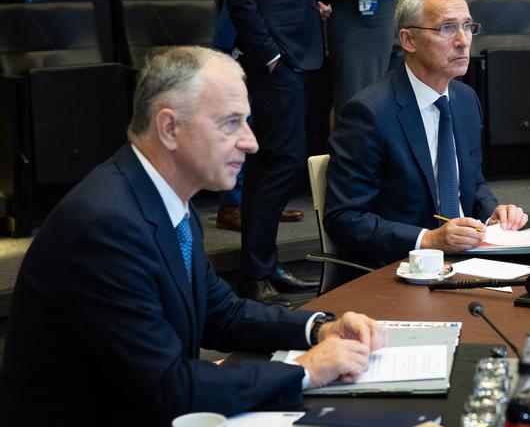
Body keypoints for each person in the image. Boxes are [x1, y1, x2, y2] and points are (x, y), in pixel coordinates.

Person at [0, 47, 387, 425]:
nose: (251, 142)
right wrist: (306, 370)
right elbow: (169, 388)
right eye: (231, 122)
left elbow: (220, 312)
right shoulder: (106, 225)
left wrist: (318, 327)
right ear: (169, 128)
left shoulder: (164, 199)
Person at [323, 0, 528, 277]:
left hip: (468, 260)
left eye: (467, 26)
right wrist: (429, 239)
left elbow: (472, 184)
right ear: (408, 40)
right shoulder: (368, 112)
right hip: (401, 270)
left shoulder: (465, 100)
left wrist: (493, 211)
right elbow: (345, 218)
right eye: (447, 28)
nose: (463, 40)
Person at [210, 0, 336, 304]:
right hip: (277, 61)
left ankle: (264, 266)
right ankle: (255, 274)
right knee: (279, 164)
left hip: (295, 52)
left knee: (272, 165)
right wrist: (270, 57)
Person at [205, 0, 306, 233]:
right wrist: (270, 55)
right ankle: (258, 265)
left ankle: (264, 261)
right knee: (274, 158)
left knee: (275, 159)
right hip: (269, 54)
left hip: (287, 50)